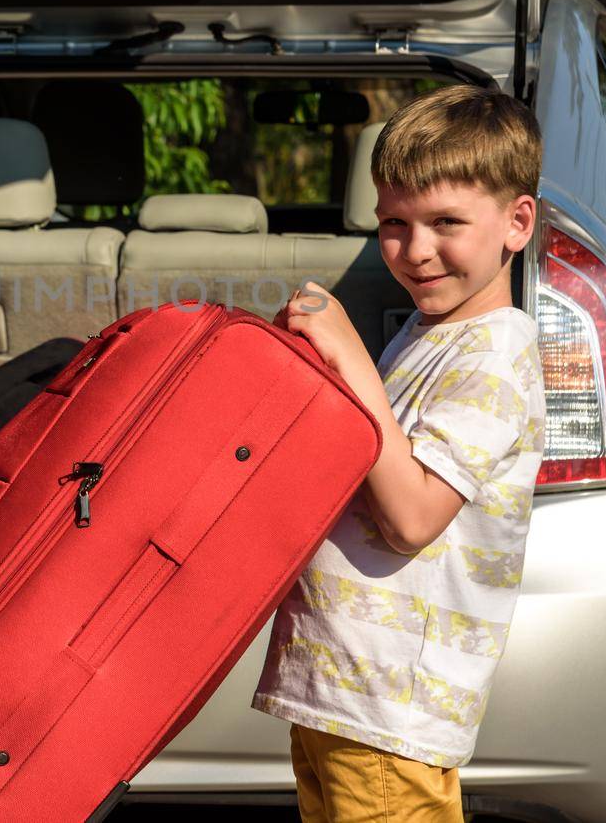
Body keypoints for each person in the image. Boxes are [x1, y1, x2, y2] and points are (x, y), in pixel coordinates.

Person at [255, 85, 548, 823]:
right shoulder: (427, 335)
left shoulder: (495, 355)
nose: (416, 251)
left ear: (517, 223)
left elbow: (413, 515)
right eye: (394, 224)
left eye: (446, 222)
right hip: (342, 698)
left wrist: (351, 358)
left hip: (392, 714)